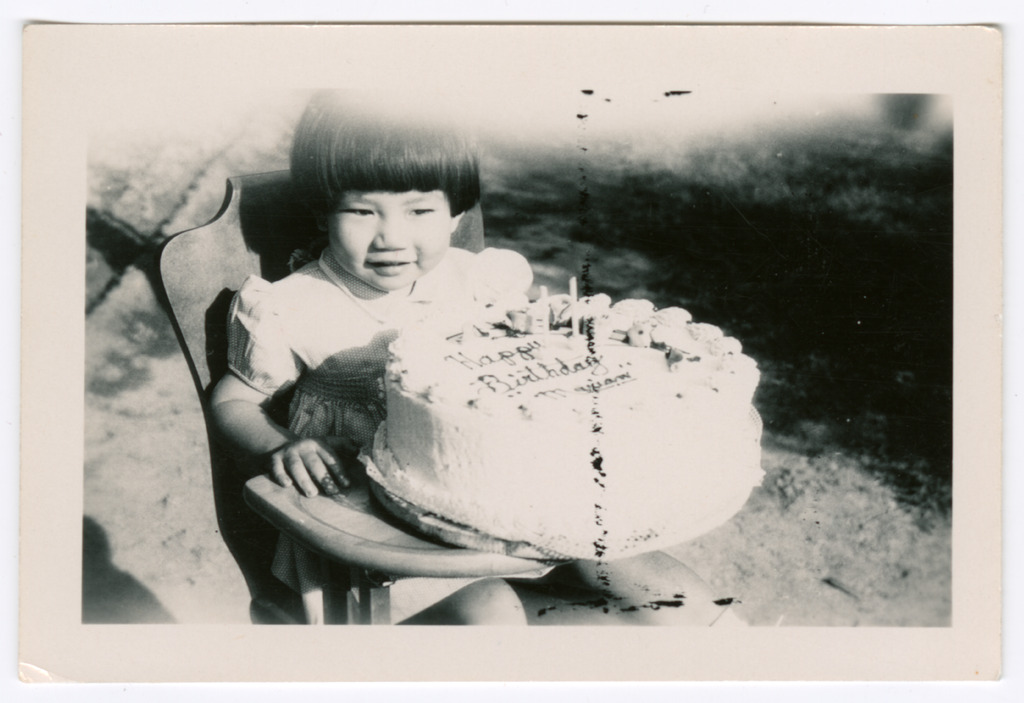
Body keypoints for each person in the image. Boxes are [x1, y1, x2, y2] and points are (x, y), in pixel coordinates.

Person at [211, 91, 740, 626]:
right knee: (493, 609)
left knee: (653, 580)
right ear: (322, 211)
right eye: (361, 211)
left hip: (502, 493)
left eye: (419, 210)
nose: (391, 237)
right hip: (372, 528)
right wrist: (281, 445)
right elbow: (234, 400)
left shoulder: (478, 281)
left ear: (455, 211)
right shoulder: (292, 307)